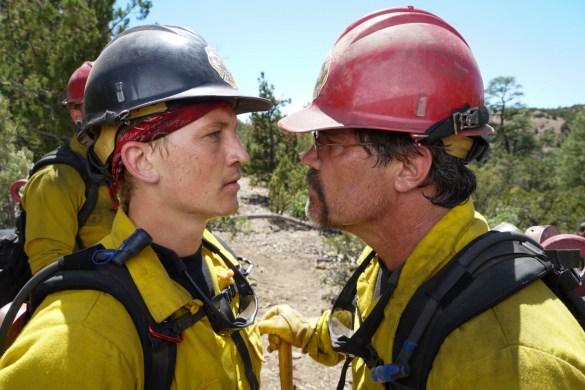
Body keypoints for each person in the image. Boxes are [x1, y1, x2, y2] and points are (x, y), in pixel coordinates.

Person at [258, 6, 585, 389]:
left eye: (328, 140)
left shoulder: (508, 362)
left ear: (410, 167)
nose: (308, 157)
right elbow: (373, 331)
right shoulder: (392, 260)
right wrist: (305, 333)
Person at [0, 25, 272, 388]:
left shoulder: (218, 262)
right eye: (213, 134)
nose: (242, 154)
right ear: (141, 161)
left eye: (235, 132)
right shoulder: (82, 340)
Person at [22, 60, 115, 275]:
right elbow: (47, 269)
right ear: (77, 114)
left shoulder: (131, 168)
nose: (117, 115)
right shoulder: (56, 178)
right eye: (102, 105)